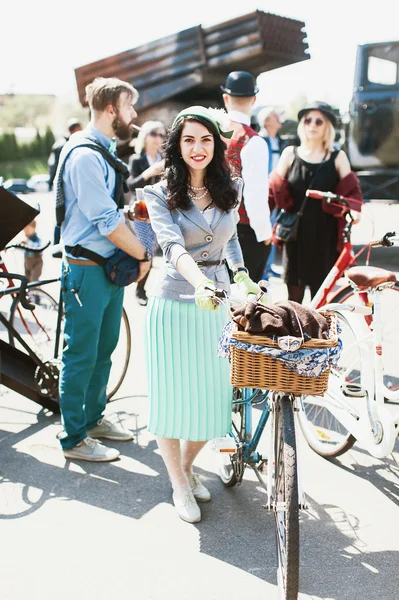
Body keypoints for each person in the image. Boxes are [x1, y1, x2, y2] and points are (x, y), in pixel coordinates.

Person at [144, 106, 260, 523]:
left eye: (205, 139)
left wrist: (242, 274)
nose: (197, 148)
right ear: (177, 145)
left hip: (218, 307)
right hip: (175, 305)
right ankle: (178, 482)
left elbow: (229, 240)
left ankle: (189, 467)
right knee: (172, 401)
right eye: (188, 139)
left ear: (217, 144)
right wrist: (201, 283)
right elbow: (172, 247)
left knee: (213, 404)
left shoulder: (233, 187)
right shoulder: (158, 194)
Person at [55, 77, 151, 462]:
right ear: (111, 109)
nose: (135, 115)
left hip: (106, 268)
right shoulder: (85, 155)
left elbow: (111, 215)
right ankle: (74, 438)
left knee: (104, 350)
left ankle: (93, 419)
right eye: (131, 107)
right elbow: (106, 222)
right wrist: (143, 254)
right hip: (86, 270)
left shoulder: (103, 150)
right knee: (80, 354)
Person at [269, 101, 363, 304]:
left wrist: (354, 211)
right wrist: (259, 225)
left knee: (321, 298)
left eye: (318, 121)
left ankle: (319, 336)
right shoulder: (289, 154)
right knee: (293, 298)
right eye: (307, 120)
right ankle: (295, 336)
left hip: (324, 237)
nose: (312, 125)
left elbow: (353, 191)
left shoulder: (337, 157)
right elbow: (271, 191)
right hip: (295, 236)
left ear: (327, 127)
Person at [221, 71, 272, 283]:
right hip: (243, 233)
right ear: (254, 99)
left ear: (226, 98)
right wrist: (265, 233)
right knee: (244, 307)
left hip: (210, 229)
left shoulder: (210, 134)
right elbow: (254, 198)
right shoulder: (253, 141)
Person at [127, 120, 166, 306]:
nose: (157, 138)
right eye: (153, 134)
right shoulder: (137, 160)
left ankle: (141, 286)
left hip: (158, 211)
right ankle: (139, 288)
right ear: (145, 136)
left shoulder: (164, 159)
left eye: (160, 135)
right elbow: (129, 185)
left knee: (152, 250)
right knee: (146, 250)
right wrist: (149, 172)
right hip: (141, 212)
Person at [48, 119, 83, 258]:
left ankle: (58, 245)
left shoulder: (59, 144)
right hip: (62, 184)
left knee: (60, 216)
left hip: (58, 183)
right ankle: (57, 246)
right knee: (61, 216)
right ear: (74, 130)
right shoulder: (64, 145)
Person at [258, 106, 285, 279]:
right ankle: (262, 268)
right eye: (276, 116)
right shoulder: (260, 140)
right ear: (267, 121)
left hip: (275, 190)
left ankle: (269, 266)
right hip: (263, 191)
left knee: (274, 227)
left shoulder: (278, 141)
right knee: (264, 229)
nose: (279, 118)